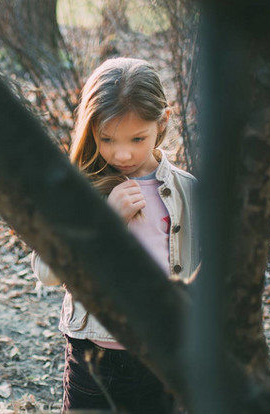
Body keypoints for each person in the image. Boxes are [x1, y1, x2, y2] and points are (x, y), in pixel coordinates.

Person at [31, 57, 200, 413]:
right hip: (96, 359)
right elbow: (46, 272)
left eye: (137, 138)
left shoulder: (188, 192)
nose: (122, 154)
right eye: (107, 139)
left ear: (163, 122)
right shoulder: (79, 188)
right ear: (91, 129)